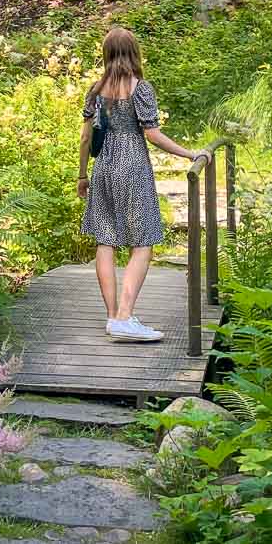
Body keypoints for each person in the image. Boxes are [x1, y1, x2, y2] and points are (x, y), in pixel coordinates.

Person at [77, 27, 206, 342]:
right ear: (134, 52)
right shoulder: (140, 88)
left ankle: (113, 317)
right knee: (142, 243)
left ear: (107, 53)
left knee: (105, 242)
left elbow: (84, 138)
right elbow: (152, 133)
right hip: (133, 167)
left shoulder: (95, 90)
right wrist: (190, 153)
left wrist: (82, 175)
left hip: (104, 167)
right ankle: (124, 316)